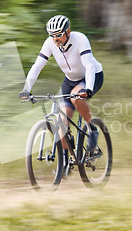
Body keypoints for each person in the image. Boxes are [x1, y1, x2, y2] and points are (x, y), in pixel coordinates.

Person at [19, 15, 104, 157]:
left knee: (76, 98)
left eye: (58, 35)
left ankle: (91, 128)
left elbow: (89, 65)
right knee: (62, 122)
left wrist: (88, 89)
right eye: (52, 35)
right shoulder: (50, 43)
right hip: (70, 79)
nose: (54, 39)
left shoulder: (80, 39)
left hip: (92, 76)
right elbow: (37, 66)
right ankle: (64, 159)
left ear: (68, 32)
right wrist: (26, 89)